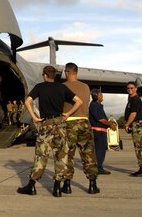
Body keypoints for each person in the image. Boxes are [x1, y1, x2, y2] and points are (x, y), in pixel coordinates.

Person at [17, 65, 82, 197]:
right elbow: (79, 101)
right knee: (61, 155)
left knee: (41, 155)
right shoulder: (62, 87)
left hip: (46, 124)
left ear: (45, 75)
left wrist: (35, 118)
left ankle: (32, 186)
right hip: (60, 124)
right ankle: (57, 188)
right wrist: (68, 114)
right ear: (54, 76)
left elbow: (27, 102)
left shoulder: (40, 87)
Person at [58, 62, 100, 194]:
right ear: (76, 72)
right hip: (84, 122)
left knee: (68, 154)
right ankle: (92, 184)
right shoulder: (86, 87)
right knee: (88, 155)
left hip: (69, 123)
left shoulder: (62, 87)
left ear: (66, 72)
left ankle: (67, 184)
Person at [89, 89, 117, 174]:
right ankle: (98, 168)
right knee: (100, 150)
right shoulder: (95, 106)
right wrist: (110, 124)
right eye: (100, 95)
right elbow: (100, 119)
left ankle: (97, 166)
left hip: (100, 131)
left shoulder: (97, 105)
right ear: (95, 96)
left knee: (100, 150)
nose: (102, 96)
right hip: (99, 132)